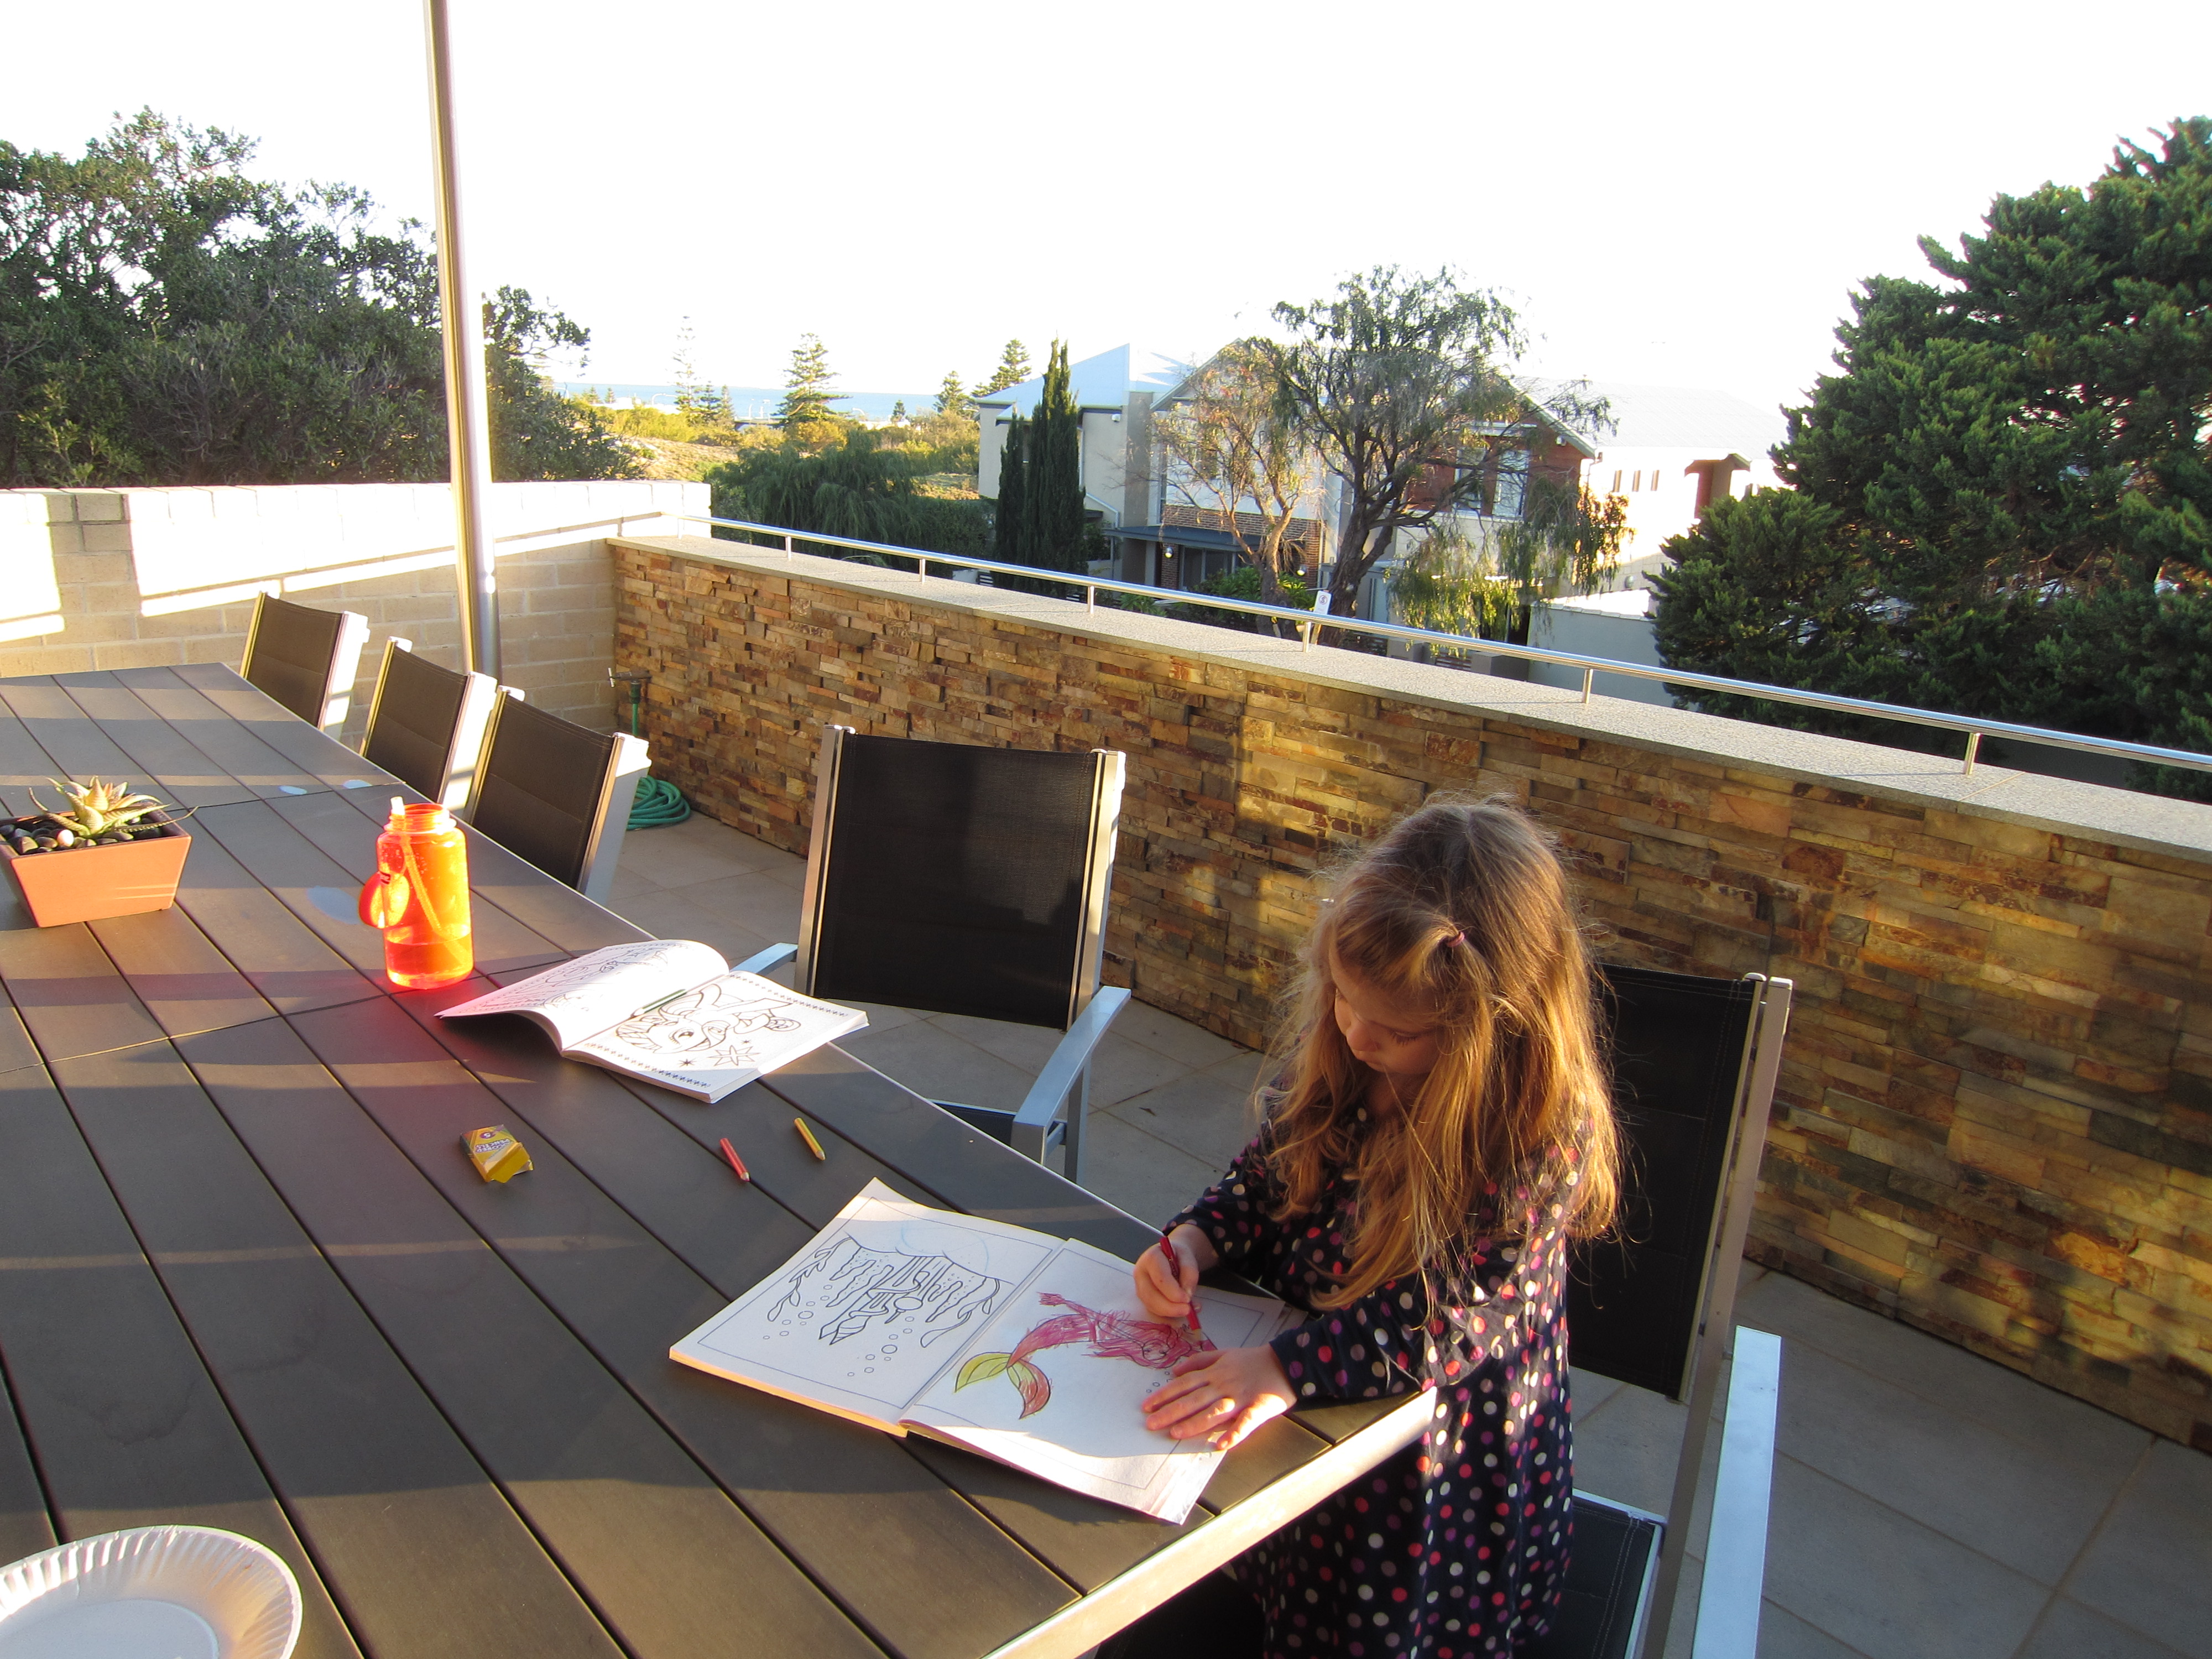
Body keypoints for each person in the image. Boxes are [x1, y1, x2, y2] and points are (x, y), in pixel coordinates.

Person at [1124, 796, 1620, 1657]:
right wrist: (1196, 1240)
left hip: (1429, 1482)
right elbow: (1271, 1174)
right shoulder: (1349, 1052)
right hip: (1297, 1439)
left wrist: (1285, 1368)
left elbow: (1447, 1321)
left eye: (1395, 1030)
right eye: (1343, 1000)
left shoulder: (1536, 1133)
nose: (1355, 1034)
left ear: (1491, 1026)